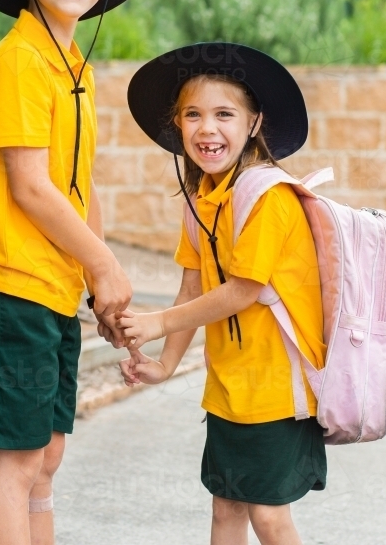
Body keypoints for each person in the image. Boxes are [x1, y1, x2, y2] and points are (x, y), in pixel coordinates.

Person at [0, 0, 158, 545]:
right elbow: (31, 188)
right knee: (12, 465)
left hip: (52, 289)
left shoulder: (73, 67)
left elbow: (77, 181)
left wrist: (97, 281)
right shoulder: (18, 61)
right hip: (5, 287)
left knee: (46, 458)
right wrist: (104, 260)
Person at [111, 43, 327, 545]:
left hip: (278, 393)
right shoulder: (202, 198)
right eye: (193, 115)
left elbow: (245, 290)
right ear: (178, 124)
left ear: (254, 123)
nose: (207, 129)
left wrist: (157, 322)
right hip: (229, 389)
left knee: (269, 519)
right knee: (226, 510)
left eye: (224, 114)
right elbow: (193, 285)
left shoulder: (269, 196)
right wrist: (164, 365)